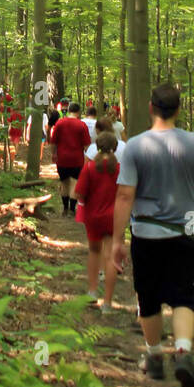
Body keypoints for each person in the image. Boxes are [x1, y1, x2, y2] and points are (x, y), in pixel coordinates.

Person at [112, 82, 194, 387]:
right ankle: (182, 352)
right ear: (179, 109)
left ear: (151, 108)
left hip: (147, 231)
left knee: (147, 295)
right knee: (182, 294)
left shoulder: (135, 146)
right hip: (188, 230)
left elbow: (124, 196)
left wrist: (117, 241)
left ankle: (153, 358)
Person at [75, 132, 120, 311]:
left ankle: (93, 292)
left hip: (93, 216)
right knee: (110, 257)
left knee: (94, 252)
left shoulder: (90, 168)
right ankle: (108, 302)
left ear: (97, 146)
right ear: (115, 147)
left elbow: (79, 193)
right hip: (113, 217)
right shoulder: (119, 169)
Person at [50, 101, 91, 215]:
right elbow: (87, 146)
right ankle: (72, 209)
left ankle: (65, 208)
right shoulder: (82, 125)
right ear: (78, 112)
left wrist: (54, 154)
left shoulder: (59, 123)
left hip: (62, 158)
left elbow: (53, 142)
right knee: (74, 183)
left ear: (68, 111)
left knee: (64, 182)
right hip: (77, 159)